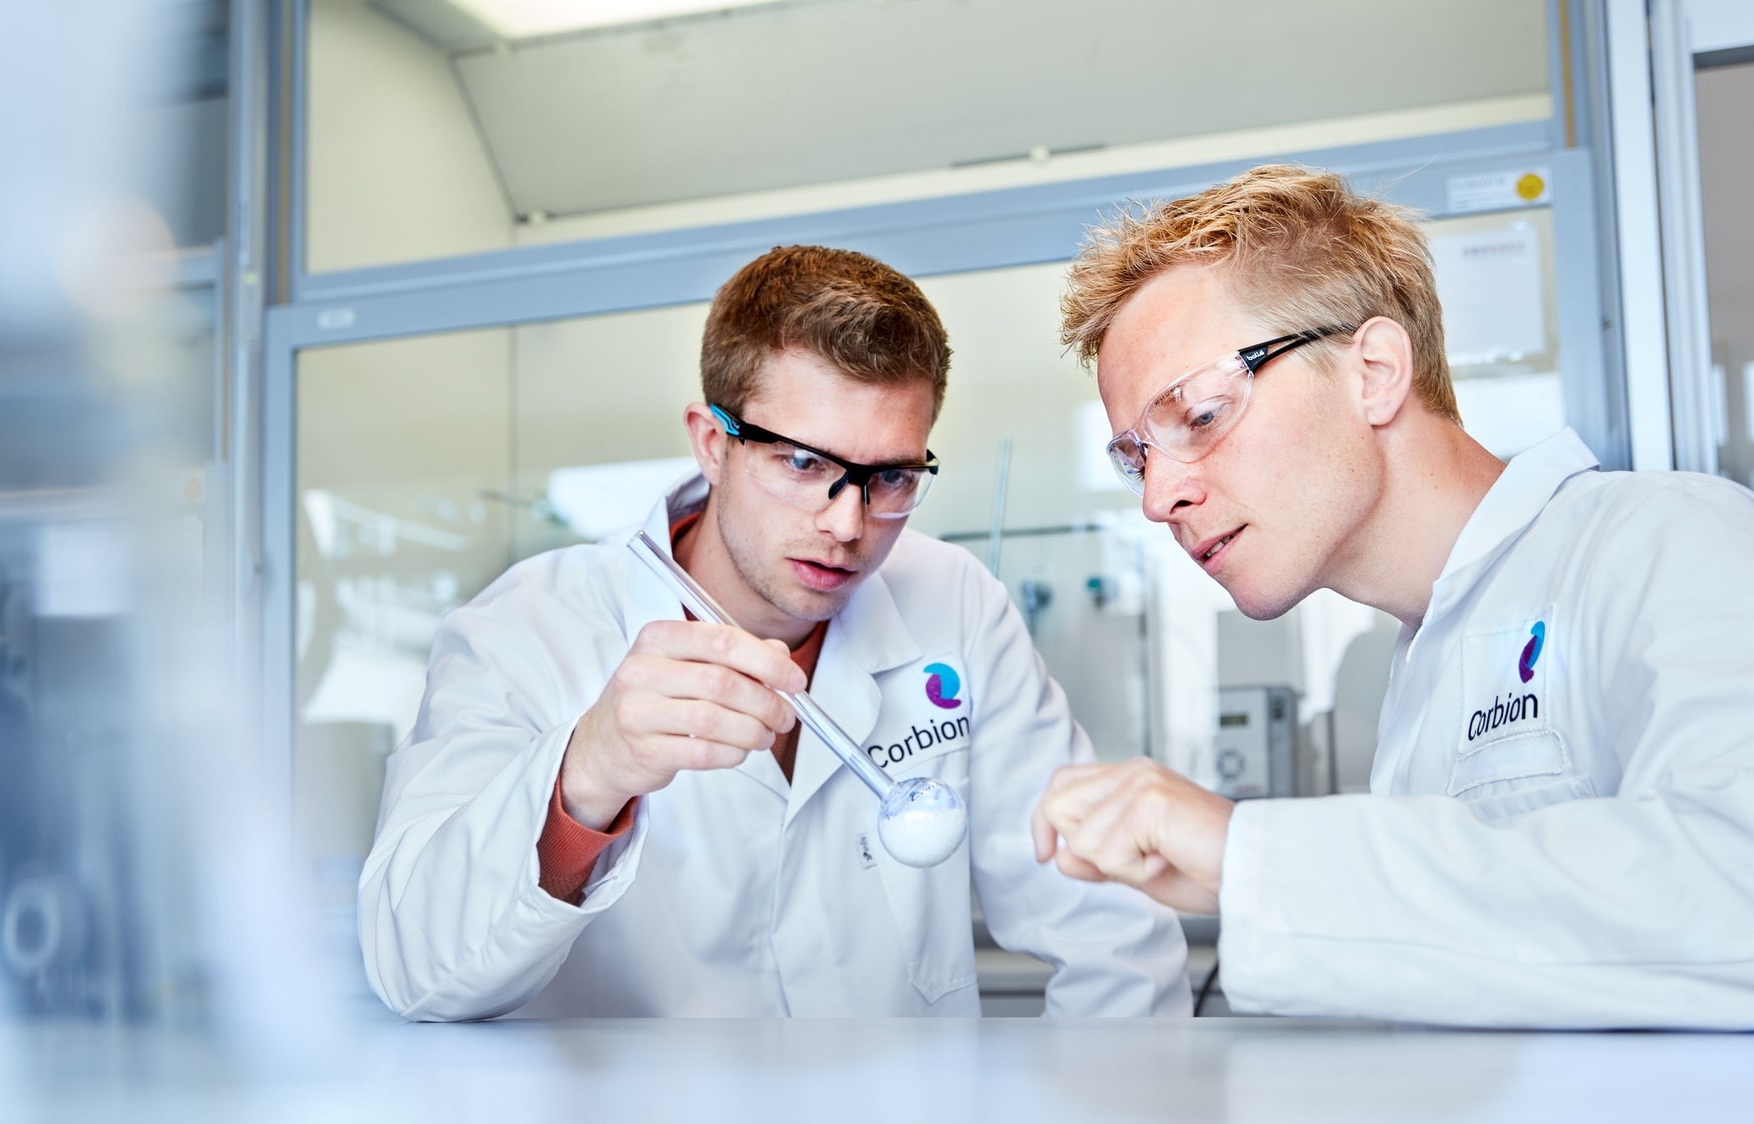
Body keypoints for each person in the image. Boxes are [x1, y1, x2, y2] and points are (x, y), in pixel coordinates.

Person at [359, 245, 1190, 1020]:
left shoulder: (952, 600)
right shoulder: (529, 627)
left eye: (890, 476)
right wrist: (588, 772)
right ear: (712, 442)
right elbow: (415, 970)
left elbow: (1106, 930)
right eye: (803, 464)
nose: (847, 524)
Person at [1035, 165, 1754, 1028]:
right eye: (1134, 458)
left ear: (1373, 370)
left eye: (1197, 416)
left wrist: (1244, 855)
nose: (1158, 498)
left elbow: (1731, 882)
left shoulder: (1666, 537)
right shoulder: (1417, 661)